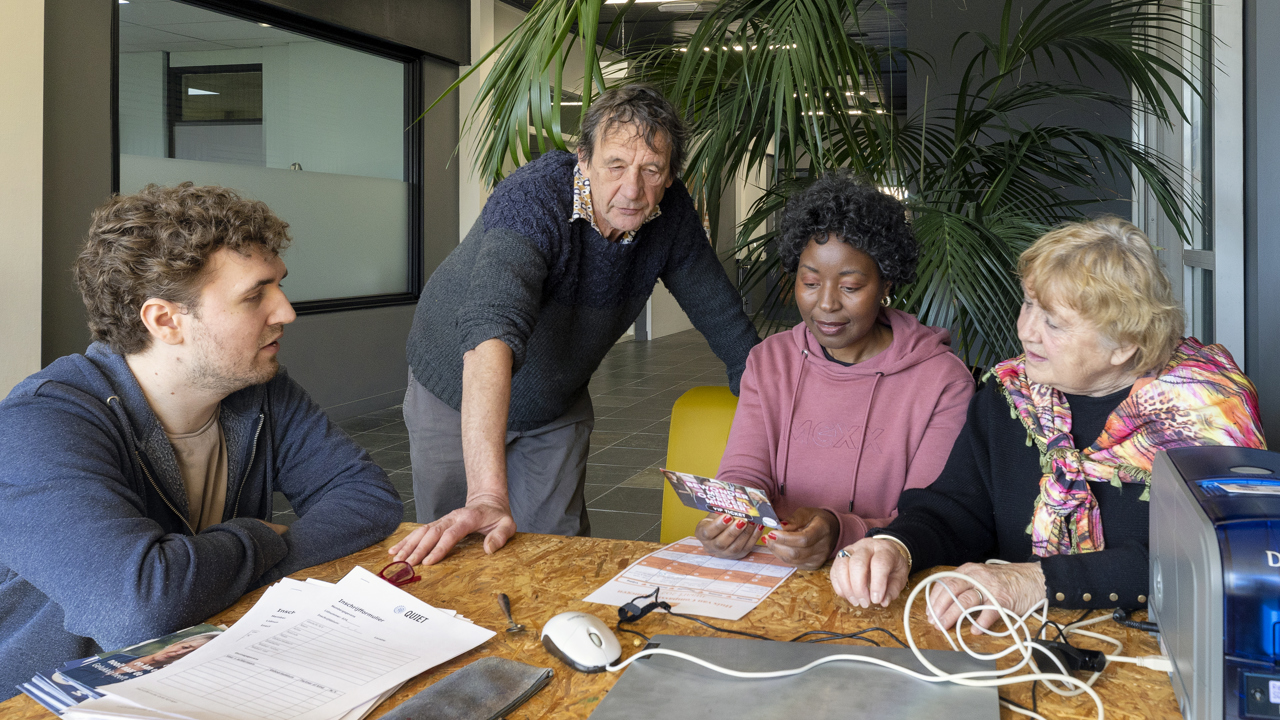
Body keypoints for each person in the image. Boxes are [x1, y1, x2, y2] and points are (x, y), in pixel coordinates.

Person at [0, 184, 403, 700]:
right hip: (53, 701)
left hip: (202, 674)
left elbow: (366, 499)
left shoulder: (257, 387)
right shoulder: (43, 423)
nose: (285, 311)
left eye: (278, 286)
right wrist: (256, 538)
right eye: (255, 295)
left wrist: (216, 566)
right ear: (166, 320)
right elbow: (141, 608)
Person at [830, 217, 1266, 631]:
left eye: (1054, 323)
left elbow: (1221, 560)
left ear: (1124, 345)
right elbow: (958, 508)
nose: (1026, 331)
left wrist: (1033, 582)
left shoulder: (1207, 415)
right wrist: (897, 545)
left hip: (1162, 657)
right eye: (1029, 304)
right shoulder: (1013, 395)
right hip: (1024, 646)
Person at [392, 84, 759, 566]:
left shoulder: (670, 217)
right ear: (583, 159)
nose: (632, 189)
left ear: (669, 176)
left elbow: (726, 322)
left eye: (651, 169)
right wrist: (486, 495)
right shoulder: (534, 198)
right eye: (615, 165)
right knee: (456, 548)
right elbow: (492, 329)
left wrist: (778, 405)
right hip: (457, 389)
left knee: (556, 554)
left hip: (554, 401)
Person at [693, 173, 975, 569]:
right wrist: (735, 514)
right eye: (810, 282)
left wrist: (840, 530)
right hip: (770, 570)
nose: (825, 304)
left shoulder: (942, 383)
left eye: (851, 286)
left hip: (878, 579)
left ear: (885, 284)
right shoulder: (769, 361)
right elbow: (745, 469)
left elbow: (929, 519)